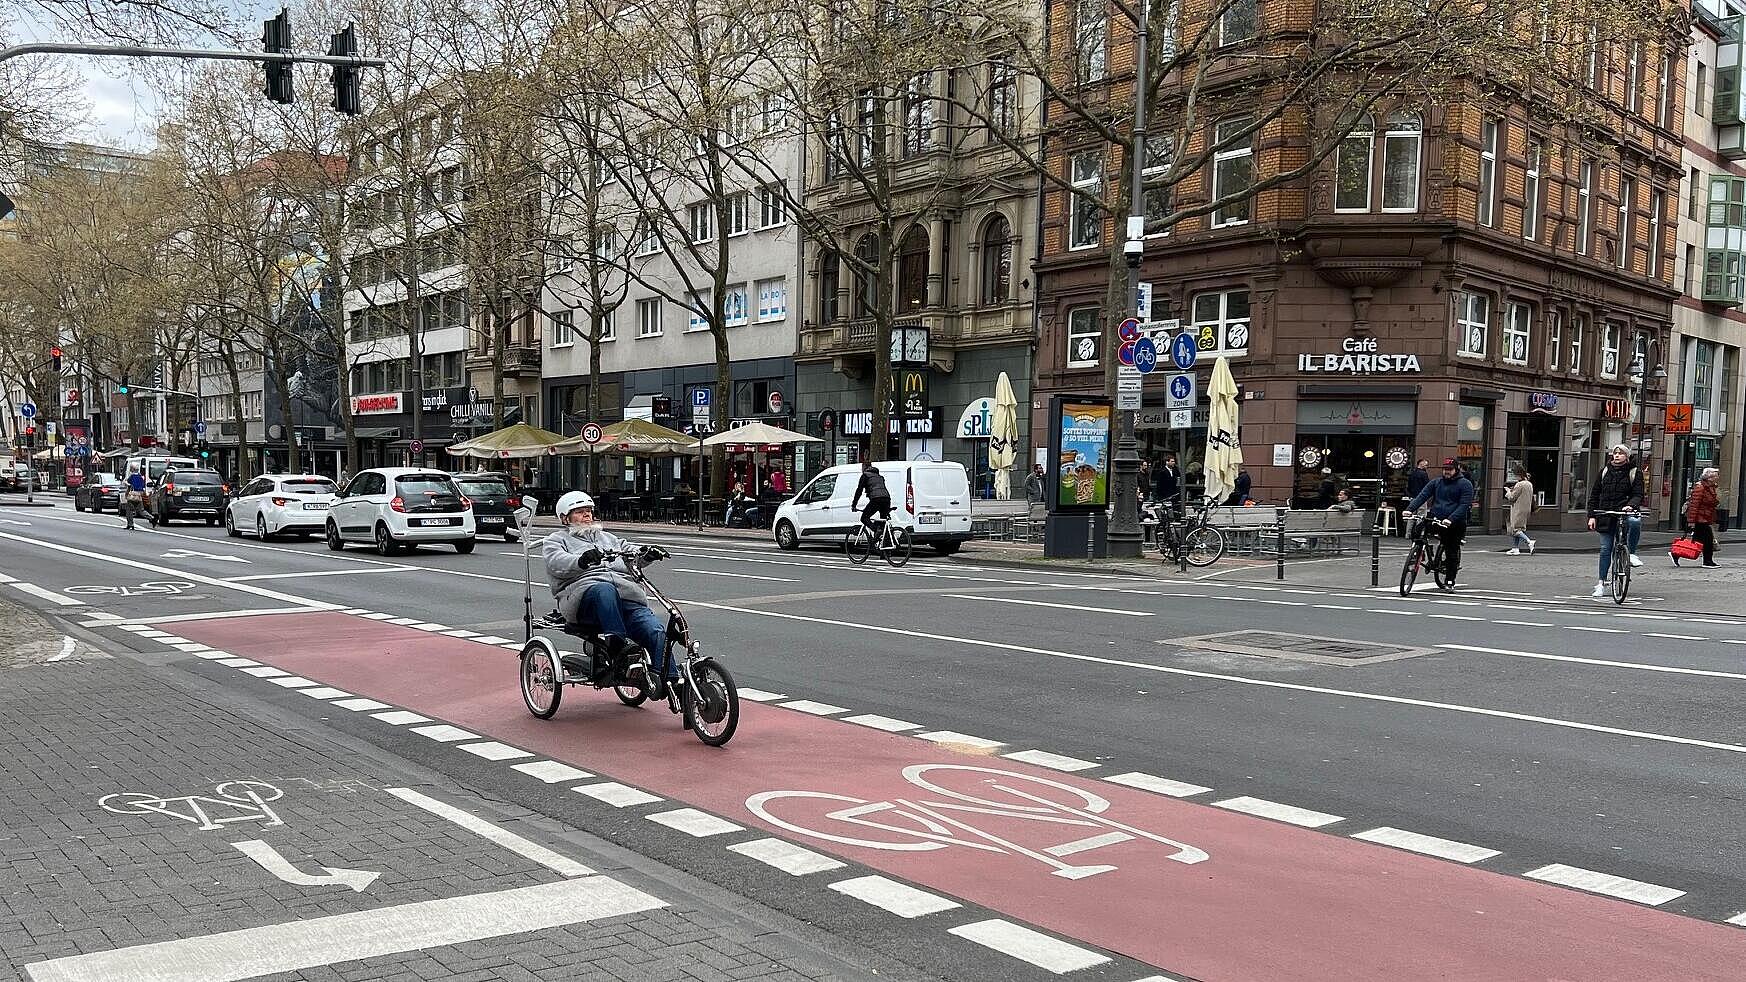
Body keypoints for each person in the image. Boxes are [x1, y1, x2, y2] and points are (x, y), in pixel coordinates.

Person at [542, 491, 674, 685]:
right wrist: (581, 560)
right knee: (604, 589)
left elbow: (630, 553)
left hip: (625, 599)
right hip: (584, 600)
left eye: (589, 511)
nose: (587, 515)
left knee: (655, 631)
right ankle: (617, 646)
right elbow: (556, 562)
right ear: (565, 518)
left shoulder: (608, 539)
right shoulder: (556, 540)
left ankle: (669, 680)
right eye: (579, 511)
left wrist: (647, 554)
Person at [1586, 443, 1647, 597]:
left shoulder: (1634, 472)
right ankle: (1601, 582)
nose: (1617, 456)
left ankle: (1631, 553)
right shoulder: (1604, 472)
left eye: (1621, 453)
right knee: (1606, 549)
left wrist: (1630, 505)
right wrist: (1592, 516)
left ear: (1627, 456)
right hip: (1606, 514)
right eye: (1615, 453)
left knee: (1634, 522)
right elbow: (1594, 495)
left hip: (1624, 512)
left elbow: (1638, 494)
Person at [1407, 458, 1476, 589]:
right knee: (1418, 531)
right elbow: (1422, 496)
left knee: (1451, 550)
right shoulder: (1436, 482)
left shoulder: (1465, 484)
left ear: (1456, 470)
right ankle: (1419, 552)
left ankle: (1450, 580)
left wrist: (1451, 519)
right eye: (1445, 469)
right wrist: (1409, 509)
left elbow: (1464, 505)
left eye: (1449, 470)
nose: (1447, 472)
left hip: (1455, 521)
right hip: (1436, 517)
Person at [1684, 467, 1721, 567]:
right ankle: (1707, 561)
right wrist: (1691, 521)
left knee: (1698, 541)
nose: (1717, 478)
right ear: (1709, 477)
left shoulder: (1711, 488)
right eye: (1715, 476)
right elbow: (1694, 505)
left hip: (1706, 517)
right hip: (1701, 518)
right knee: (1708, 540)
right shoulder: (1700, 487)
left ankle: (1676, 553)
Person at [850, 460, 891, 531]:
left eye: (862, 468)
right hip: (887, 499)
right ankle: (884, 539)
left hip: (876, 500)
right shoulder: (879, 476)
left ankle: (876, 530)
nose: (861, 470)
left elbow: (859, 491)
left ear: (864, 467)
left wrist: (854, 505)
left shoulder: (865, 475)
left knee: (864, 518)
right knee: (882, 522)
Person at [1504, 465, 1536, 556]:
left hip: (1518, 509)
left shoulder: (1520, 484)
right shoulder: (1529, 484)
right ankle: (1515, 548)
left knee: (1515, 529)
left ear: (1518, 474)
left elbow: (1512, 497)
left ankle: (1529, 542)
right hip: (1526, 509)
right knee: (1519, 528)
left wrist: (1508, 492)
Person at [123, 465, 147, 531]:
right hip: (139, 496)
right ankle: (152, 518)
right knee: (141, 510)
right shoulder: (141, 477)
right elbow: (143, 486)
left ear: (132, 469)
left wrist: (126, 483)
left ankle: (130, 524)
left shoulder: (132, 476)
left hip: (132, 496)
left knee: (129, 510)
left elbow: (127, 483)